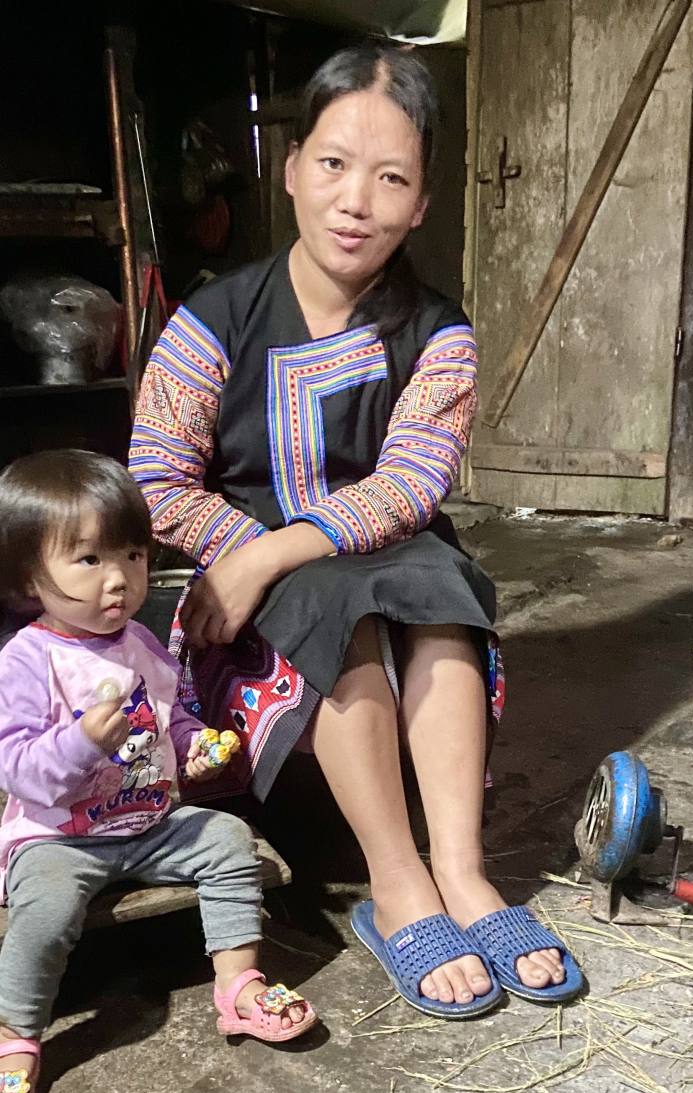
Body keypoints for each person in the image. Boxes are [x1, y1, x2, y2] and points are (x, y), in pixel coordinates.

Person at [129, 44, 582, 1020]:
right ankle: (397, 880)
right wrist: (242, 553)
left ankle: (461, 869)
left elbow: (413, 481)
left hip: (356, 547)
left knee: (440, 587)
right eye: (332, 164)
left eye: (391, 178)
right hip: (250, 582)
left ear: (419, 204)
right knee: (342, 603)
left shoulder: (438, 331)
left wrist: (277, 548)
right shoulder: (211, 322)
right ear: (290, 169)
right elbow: (159, 482)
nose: (355, 200)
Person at [0, 449, 317, 1093]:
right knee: (43, 913)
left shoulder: (140, 643)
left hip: (150, 820)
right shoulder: (26, 662)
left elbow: (170, 712)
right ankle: (15, 1039)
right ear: (29, 576)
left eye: (131, 555)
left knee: (225, 840)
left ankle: (238, 984)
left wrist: (194, 742)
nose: (120, 580)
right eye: (89, 560)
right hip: (61, 836)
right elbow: (9, 766)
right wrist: (80, 744)